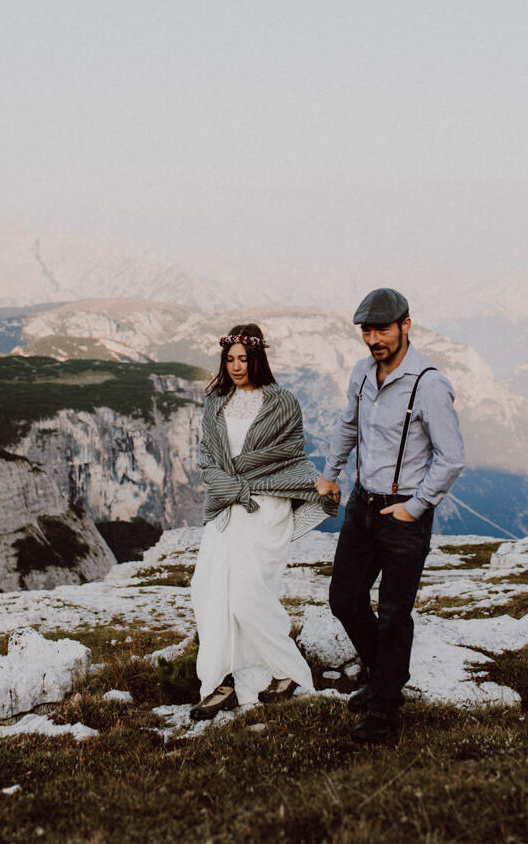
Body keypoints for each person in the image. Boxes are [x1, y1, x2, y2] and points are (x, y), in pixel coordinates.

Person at [315, 288, 465, 744]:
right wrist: (331, 473)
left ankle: (384, 713)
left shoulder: (428, 384)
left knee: (395, 613)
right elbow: (347, 425)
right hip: (362, 503)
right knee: (344, 599)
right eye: (367, 330)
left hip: (403, 513)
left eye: (382, 329)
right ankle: (384, 680)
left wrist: (416, 507)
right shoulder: (362, 373)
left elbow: (451, 458)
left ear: (406, 326)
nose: (374, 339)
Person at [189, 323, 338, 721]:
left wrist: (316, 487)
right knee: (207, 589)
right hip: (226, 505)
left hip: (265, 507)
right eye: (230, 359)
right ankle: (222, 681)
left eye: (244, 359)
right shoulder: (215, 402)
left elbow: (290, 454)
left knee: (247, 595)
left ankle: (288, 671)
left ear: (258, 358)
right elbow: (207, 458)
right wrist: (229, 484)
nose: (237, 367)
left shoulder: (283, 403)